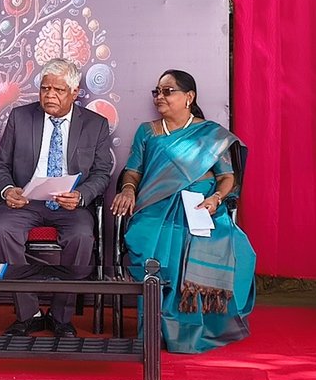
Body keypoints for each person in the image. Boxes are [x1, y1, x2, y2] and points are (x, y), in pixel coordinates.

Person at [110, 69, 257, 354]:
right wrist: (128, 189)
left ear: (189, 97)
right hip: (155, 206)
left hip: (201, 205)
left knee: (226, 243)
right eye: (157, 92)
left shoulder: (210, 134)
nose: (159, 97)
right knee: (149, 239)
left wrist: (216, 199)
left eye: (168, 91)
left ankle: (197, 328)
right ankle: (155, 327)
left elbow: (227, 177)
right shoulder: (147, 132)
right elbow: (133, 171)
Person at [0, 60, 116, 339]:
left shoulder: (95, 124)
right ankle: (28, 314)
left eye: (58, 90)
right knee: (2, 230)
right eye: (45, 89)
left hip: (69, 203)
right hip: (26, 201)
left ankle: (61, 316)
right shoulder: (21, 117)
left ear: (75, 92)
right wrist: (8, 190)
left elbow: (101, 173)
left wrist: (81, 196)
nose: (49, 95)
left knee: (82, 237)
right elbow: (1, 165)